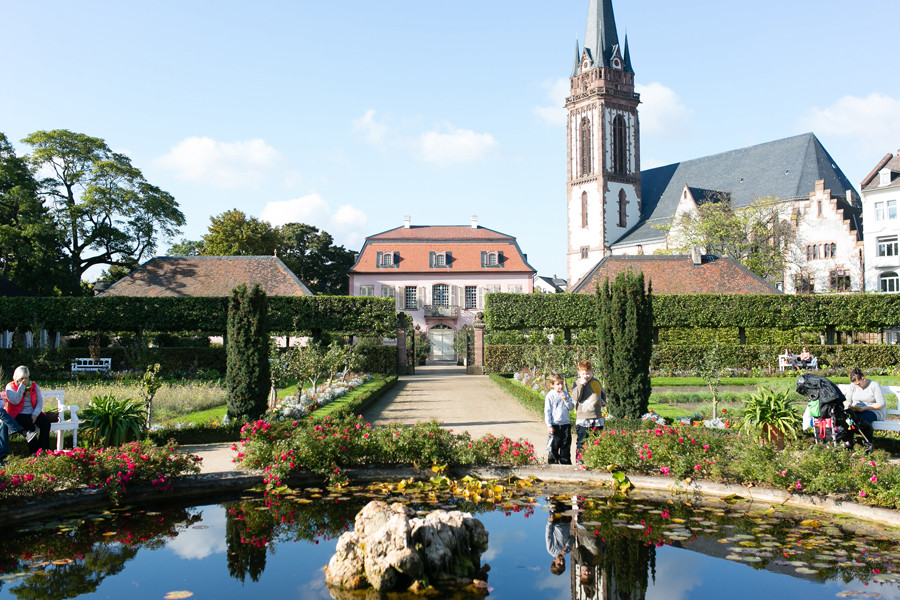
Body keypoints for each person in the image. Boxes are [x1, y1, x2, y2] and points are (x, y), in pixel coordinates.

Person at [4, 366, 51, 454]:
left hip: (32, 412)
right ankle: (34, 452)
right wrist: (22, 387)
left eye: (26, 378)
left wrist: (35, 414)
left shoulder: (33, 385)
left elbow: (40, 401)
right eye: (22, 378)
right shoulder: (10, 387)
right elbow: (15, 401)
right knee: (31, 427)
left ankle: (44, 451)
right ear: (17, 378)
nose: (25, 380)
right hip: (18, 413)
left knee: (46, 423)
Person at [844, 367, 885, 453]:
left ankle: (868, 444)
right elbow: (847, 400)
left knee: (861, 420)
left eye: (858, 384)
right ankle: (849, 442)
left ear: (863, 379)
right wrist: (848, 405)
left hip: (873, 410)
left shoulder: (874, 385)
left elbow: (881, 404)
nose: (857, 386)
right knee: (847, 419)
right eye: (855, 384)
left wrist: (864, 408)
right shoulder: (853, 386)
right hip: (857, 410)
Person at [571, 360, 605, 464]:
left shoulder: (596, 382)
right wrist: (581, 385)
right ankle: (580, 461)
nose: (586, 376)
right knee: (582, 441)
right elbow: (575, 397)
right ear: (579, 373)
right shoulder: (577, 383)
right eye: (583, 373)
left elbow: (602, 393)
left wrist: (603, 401)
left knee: (596, 441)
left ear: (592, 372)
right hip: (583, 418)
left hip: (597, 417)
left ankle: (594, 461)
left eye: (588, 373)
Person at [544, 372, 574, 465]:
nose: (560, 386)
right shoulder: (550, 395)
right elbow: (547, 411)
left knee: (566, 445)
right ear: (552, 385)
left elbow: (571, 407)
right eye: (558, 384)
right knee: (554, 446)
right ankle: (553, 463)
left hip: (565, 424)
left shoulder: (566, 394)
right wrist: (549, 425)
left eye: (561, 383)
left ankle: (565, 463)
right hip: (555, 425)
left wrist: (566, 400)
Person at [545, 497, 574, 576]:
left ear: (554, 562)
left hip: (557, 521)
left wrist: (549, 523)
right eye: (563, 565)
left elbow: (548, 535)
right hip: (567, 519)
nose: (562, 562)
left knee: (556, 498)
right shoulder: (568, 550)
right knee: (567, 498)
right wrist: (566, 548)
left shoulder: (551, 550)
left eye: (559, 564)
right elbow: (572, 538)